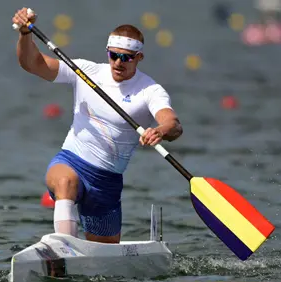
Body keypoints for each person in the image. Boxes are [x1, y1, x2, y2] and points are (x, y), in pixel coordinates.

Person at [13, 8, 183, 244]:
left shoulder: (149, 91)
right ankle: (65, 246)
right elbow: (32, 63)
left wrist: (160, 131)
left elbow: (172, 123)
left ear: (139, 58)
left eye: (127, 57)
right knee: (65, 182)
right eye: (113, 55)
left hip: (107, 183)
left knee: (104, 261)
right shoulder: (86, 71)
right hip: (71, 161)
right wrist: (24, 34)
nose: (118, 62)